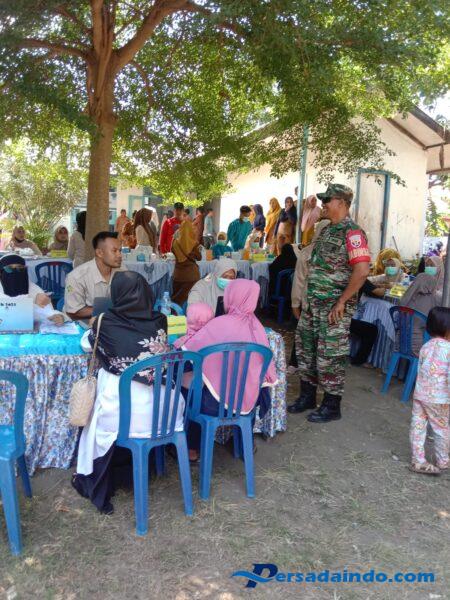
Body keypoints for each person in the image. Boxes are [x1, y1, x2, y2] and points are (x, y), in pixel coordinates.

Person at [72, 271, 181, 513]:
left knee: (94, 417)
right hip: (163, 413)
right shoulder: (160, 320)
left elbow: (86, 344)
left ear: (116, 295)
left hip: (121, 416)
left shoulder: (104, 322)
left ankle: (92, 476)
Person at [288, 184, 370, 422]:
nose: (323, 204)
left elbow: (362, 271)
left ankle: (332, 405)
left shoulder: (353, 233)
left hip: (333, 309)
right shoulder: (325, 230)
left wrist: (342, 301)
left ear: (342, 203)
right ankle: (307, 397)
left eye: (327, 200)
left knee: (330, 355)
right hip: (313, 305)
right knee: (306, 350)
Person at [181, 279, 277, 461]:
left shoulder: (218, 324)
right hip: (252, 400)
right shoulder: (258, 328)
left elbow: (189, 351)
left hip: (214, 406)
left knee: (185, 387)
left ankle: (192, 447)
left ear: (231, 297)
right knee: (246, 388)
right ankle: (245, 444)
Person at [409, 307, 450, 476]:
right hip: (439, 398)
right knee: (441, 429)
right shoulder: (448, 349)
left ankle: (418, 461)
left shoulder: (426, 346)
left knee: (418, 426)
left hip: (420, 395)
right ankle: (443, 461)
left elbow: (420, 370)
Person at [64, 232, 125, 321]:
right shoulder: (76, 277)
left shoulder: (123, 271)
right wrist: (111, 310)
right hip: (84, 324)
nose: (120, 255)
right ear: (99, 253)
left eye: (120, 251)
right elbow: (73, 312)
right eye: (114, 251)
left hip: (115, 322)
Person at [0, 254, 65, 324]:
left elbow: (49, 313)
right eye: (9, 269)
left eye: (20, 268)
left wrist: (57, 317)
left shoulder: (35, 291)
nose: (15, 272)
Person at [399, 256, 444, 355]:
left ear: (439, 268)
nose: (428, 267)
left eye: (432, 265)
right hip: (423, 343)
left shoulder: (443, 290)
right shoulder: (430, 294)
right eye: (427, 265)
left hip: (402, 340)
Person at [171, 219, 201, 305]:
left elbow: (172, 251)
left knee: (176, 301)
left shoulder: (175, 242)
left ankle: (175, 314)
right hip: (192, 275)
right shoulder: (193, 243)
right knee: (190, 302)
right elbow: (199, 257)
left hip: (178, 275)